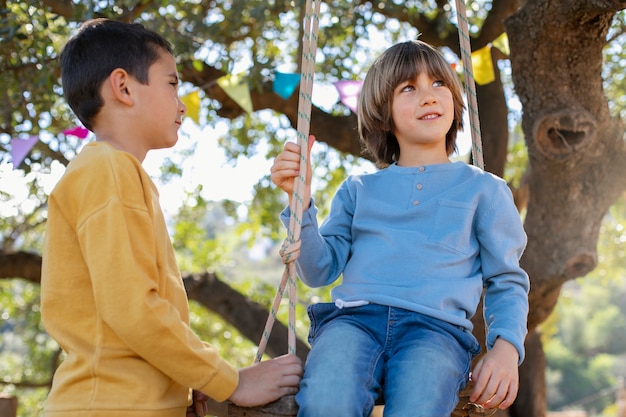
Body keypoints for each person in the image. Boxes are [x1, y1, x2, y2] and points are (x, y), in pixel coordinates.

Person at [40, 18, 302, 417]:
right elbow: (134, 308)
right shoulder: (107, 171)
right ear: (124, 87)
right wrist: (232, 381)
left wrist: (186, 381)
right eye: (172, 83)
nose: (182, 102)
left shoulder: (113, 172)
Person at [270, 39, 529, 417]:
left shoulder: (484, 190)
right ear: (383, 113)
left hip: (436, 332)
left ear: (456, 102)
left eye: (438, 84)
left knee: (420, 402)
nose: (428, 96)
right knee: (327, 397)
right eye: (409, 88)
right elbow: (317, 270)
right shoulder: (358, 190)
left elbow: (506, 279)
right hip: (352, 322)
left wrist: (506, 347)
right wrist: (300, 203)